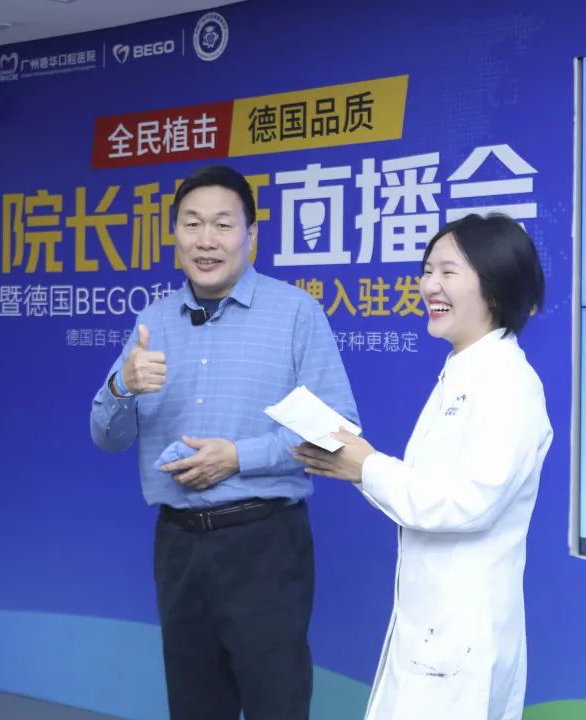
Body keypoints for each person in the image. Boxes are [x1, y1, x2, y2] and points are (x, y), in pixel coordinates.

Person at [90, 165, 358, 720]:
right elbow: (106, 437)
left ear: (251, 235)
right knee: (194, 705)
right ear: (174, 235)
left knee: (275, 703)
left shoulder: (295, 314)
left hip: (264, 542)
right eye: (192, 224)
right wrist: (122, 386)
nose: (205, 240)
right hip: (179, 544)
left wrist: (240, 457)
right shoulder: (153, 321)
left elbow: (335, 429)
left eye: (222, 224)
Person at [294, 213, 553, 720]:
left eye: (448, 272)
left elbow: (467, 502)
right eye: (428, 270)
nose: (430, 285)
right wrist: (355, 463)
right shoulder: (463, 370)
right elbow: (426, 489)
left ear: (495, 286)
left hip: (461, 638)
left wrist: (367, 466)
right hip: (433, 628)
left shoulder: (509, 385)